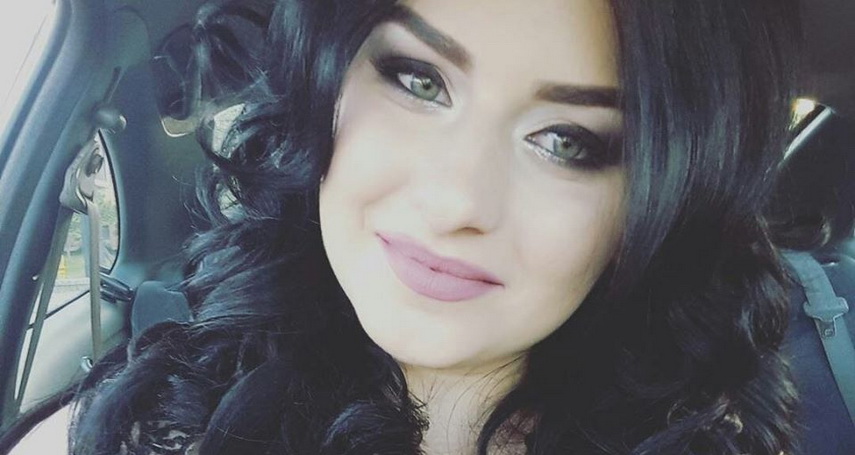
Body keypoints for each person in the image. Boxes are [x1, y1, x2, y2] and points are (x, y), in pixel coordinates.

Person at [3, 0, 803, 453]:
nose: (454, 201)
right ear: (323, 84)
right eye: (418, 80)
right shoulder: (135, 430)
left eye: (567, 142)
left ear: (658, 202)